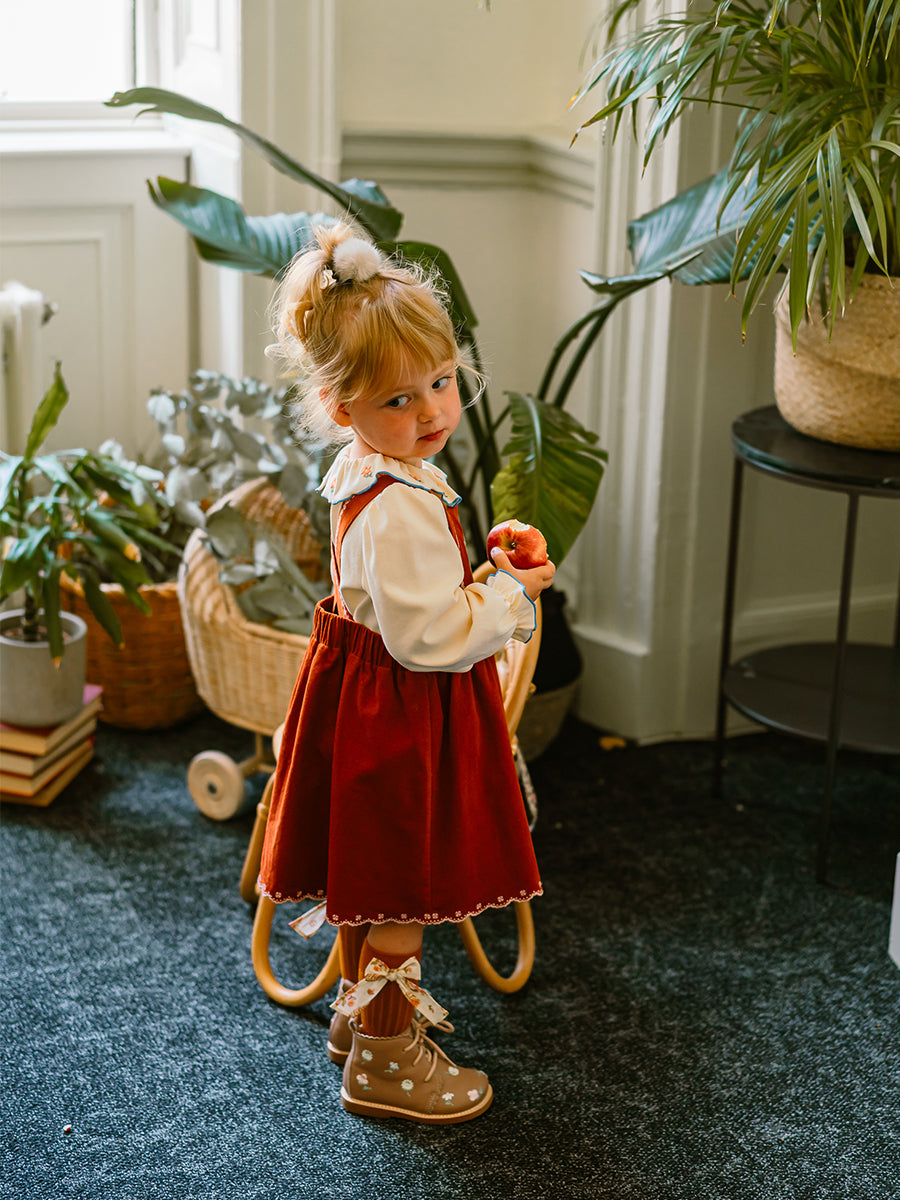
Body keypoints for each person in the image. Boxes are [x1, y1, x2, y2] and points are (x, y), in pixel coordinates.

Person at [259, 222, 555, 1125]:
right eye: (398, 398)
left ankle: (363, 1023)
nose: (430, 411)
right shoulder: (403, 507)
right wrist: (509, 591)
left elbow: (400, 601)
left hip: (365, 697)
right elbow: (428, 637)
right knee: (400, 889)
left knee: (374, 875)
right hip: (404, 712)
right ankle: (385, 1061)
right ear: (340, 406)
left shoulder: (371, 472)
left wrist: (476, 574)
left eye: (440, 382)